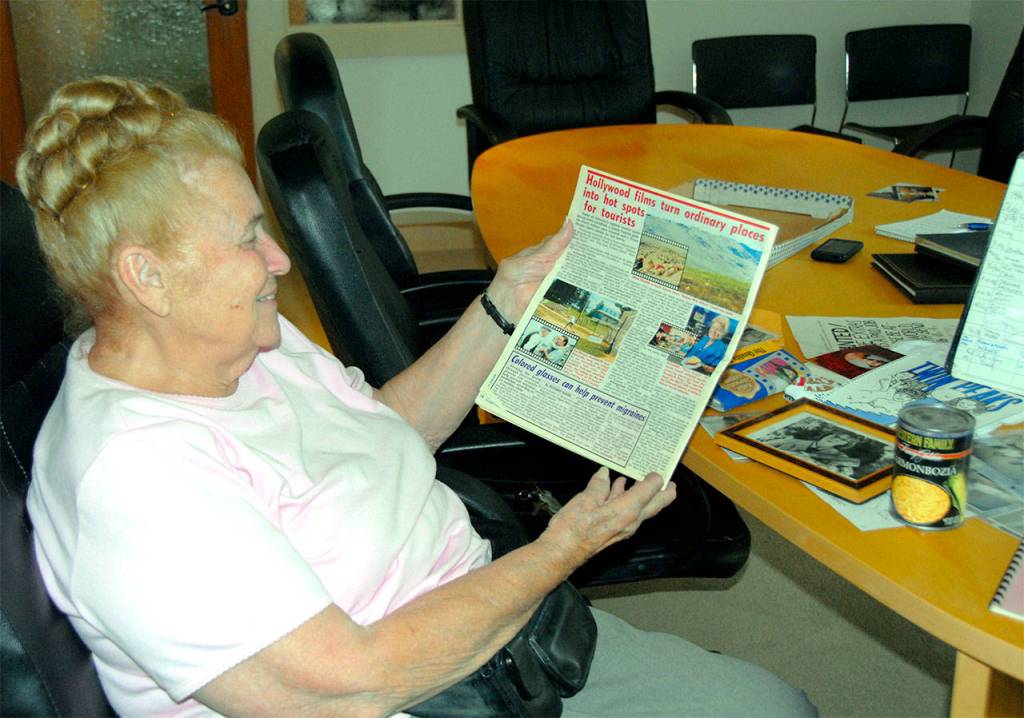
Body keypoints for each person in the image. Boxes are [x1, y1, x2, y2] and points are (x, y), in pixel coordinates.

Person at [19, 77, 817, 717]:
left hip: (494, 628)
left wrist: (503, 306)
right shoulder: (134, 479)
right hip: (419, 687)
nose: (278, 261)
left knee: (773, 703)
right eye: (246, 238)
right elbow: (349, 685)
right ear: (145, 276)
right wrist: (562, 549)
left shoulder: (232, 339)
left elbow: (380, 435)